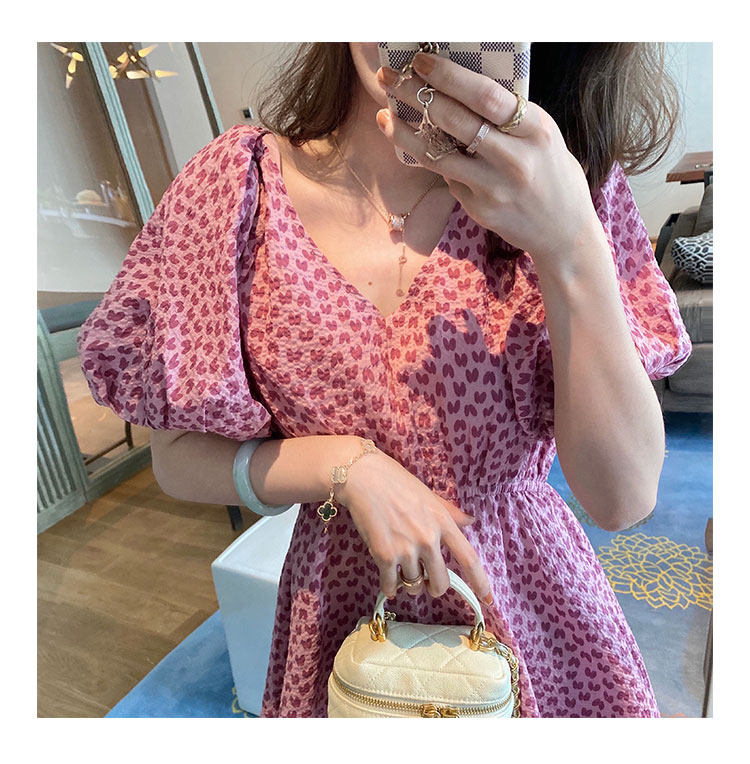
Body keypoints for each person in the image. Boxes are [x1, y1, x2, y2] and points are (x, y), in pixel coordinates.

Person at [77, 42, 692, 717]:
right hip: (338, 617)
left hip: (534, 606)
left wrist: (569, 240)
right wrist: (344, 467)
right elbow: (175, 458)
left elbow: (623, 499)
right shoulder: (236, 189)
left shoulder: (561, 179)